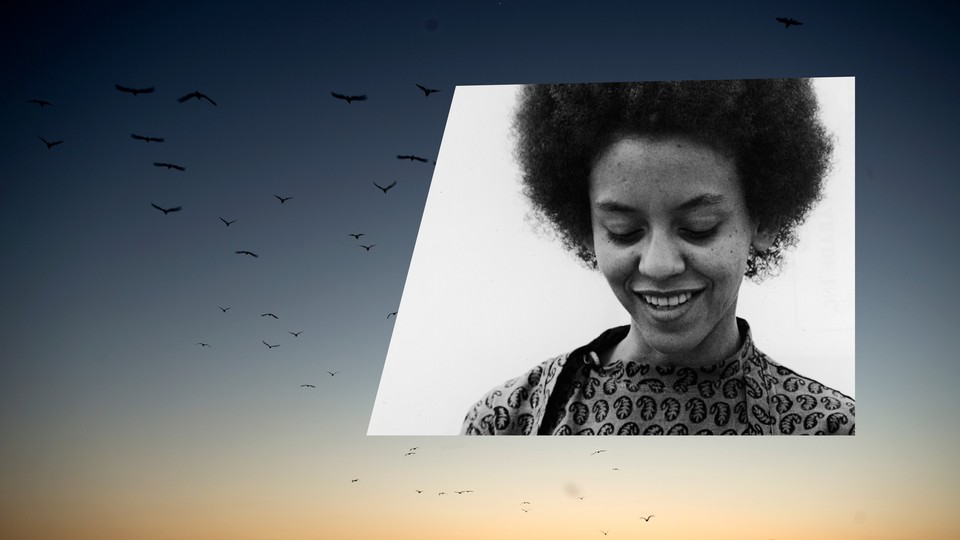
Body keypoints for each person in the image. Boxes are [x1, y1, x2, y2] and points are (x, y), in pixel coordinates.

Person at [460, 79, 855, 435]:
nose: (659, 265)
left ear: (764, 221)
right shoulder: (508, 422)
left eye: (698, 227)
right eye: (624, 231)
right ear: (587, 231)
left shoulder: (832, 432)